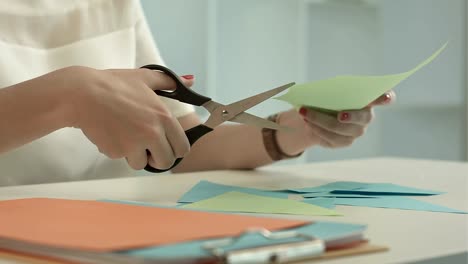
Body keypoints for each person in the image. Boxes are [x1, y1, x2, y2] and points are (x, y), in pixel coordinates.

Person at [0, 0, 394, 186]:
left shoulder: (113, 3)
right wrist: (71, 93)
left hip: (115, 233)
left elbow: (184, 147)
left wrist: (297, 129)